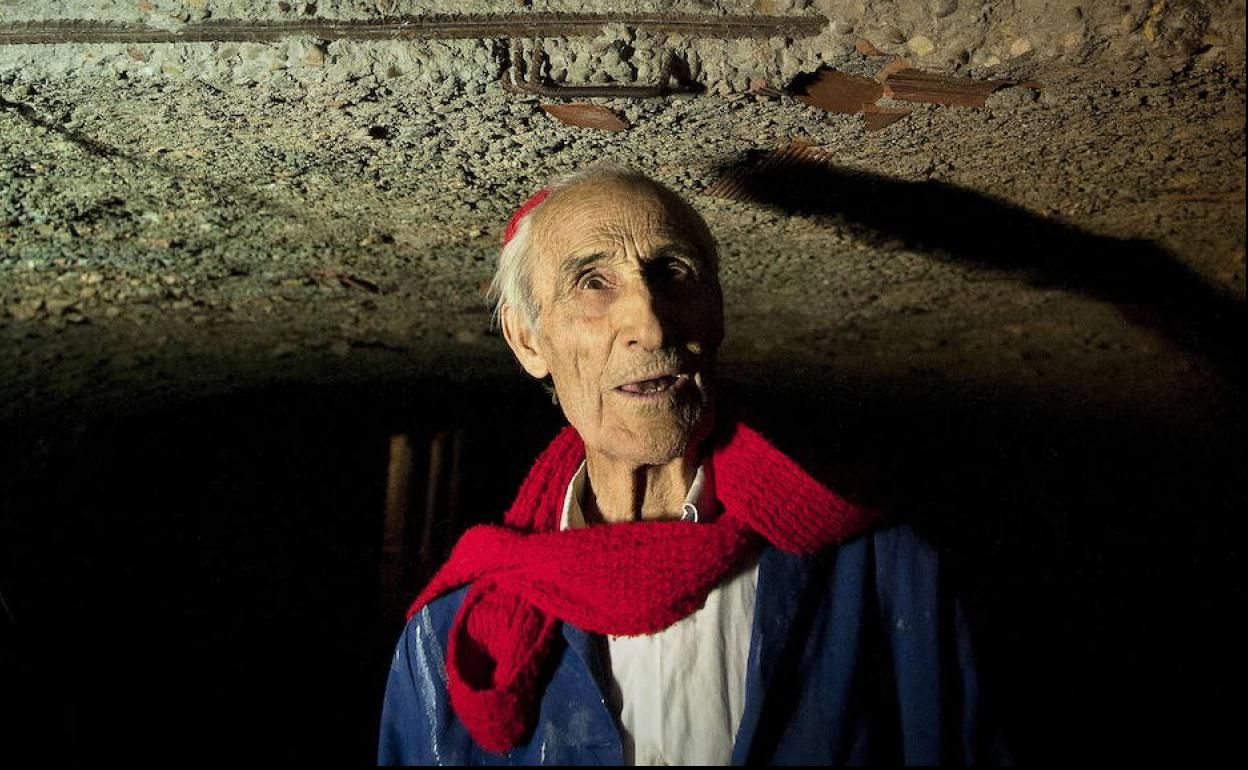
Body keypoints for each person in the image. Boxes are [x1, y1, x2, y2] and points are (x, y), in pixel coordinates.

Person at [378, 165, 996, 765]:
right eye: (592, 283)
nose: (649, 326)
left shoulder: (880, 576)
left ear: (717, 311)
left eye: (673, 272)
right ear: (527, 340)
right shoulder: (451, 640)